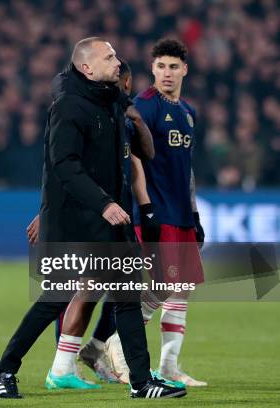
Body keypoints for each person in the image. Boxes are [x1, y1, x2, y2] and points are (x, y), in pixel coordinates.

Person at [0, 37, 184, 399]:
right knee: (56, 298)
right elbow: (64, 166)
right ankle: (3, 370)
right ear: (87, 68)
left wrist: (133, 117)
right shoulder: (68, 107)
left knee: (126, 296)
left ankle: (141, 383)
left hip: (114, 220)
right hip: (79, 220)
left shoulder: (113, 103)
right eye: (109, 56)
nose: (117, 60)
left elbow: (141, 152)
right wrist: (103, 203)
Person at [106, 38, 207, 387]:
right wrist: (145, 206)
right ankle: (117, 342)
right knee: (165, 284)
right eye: (161, 66)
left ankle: (169, 366)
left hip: (181, 212)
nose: (167, 73)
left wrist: (194, 214)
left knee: (183, 287)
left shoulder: (189, 113)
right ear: (152, 69)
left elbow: (187, 168)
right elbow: (132, 156)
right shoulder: (145, 105)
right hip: (157, 210)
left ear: (184, 70)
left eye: (173, 67)